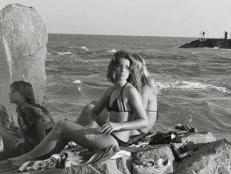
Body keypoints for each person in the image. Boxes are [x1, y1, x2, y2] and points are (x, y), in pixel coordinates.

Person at [10, 51, 149, 165]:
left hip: (115, 141)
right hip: (105, 136)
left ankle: (28, 157)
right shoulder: (111, 90)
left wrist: (118, 126)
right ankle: (35, 157)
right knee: (64, 133)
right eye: (120, 66)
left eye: (127, 67)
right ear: (113, 67)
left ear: (130, 70)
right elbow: (93, 111)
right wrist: (92, 124)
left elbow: (144, 122)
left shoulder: (130, 91)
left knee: (62, 125)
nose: (123, 71)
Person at [8, 80, 55, 154]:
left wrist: (43, 144)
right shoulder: (34, 107)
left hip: (42, 144)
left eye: (13, 91)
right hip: (53, 140)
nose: (9, 94)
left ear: (23, 96)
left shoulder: (24, 109)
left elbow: (39, 123)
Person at [127, 54, 158, 136]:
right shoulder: (139, 86)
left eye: (128, 68)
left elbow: (139, 116)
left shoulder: (145, 89)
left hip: (140, 131)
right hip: (137, 128)